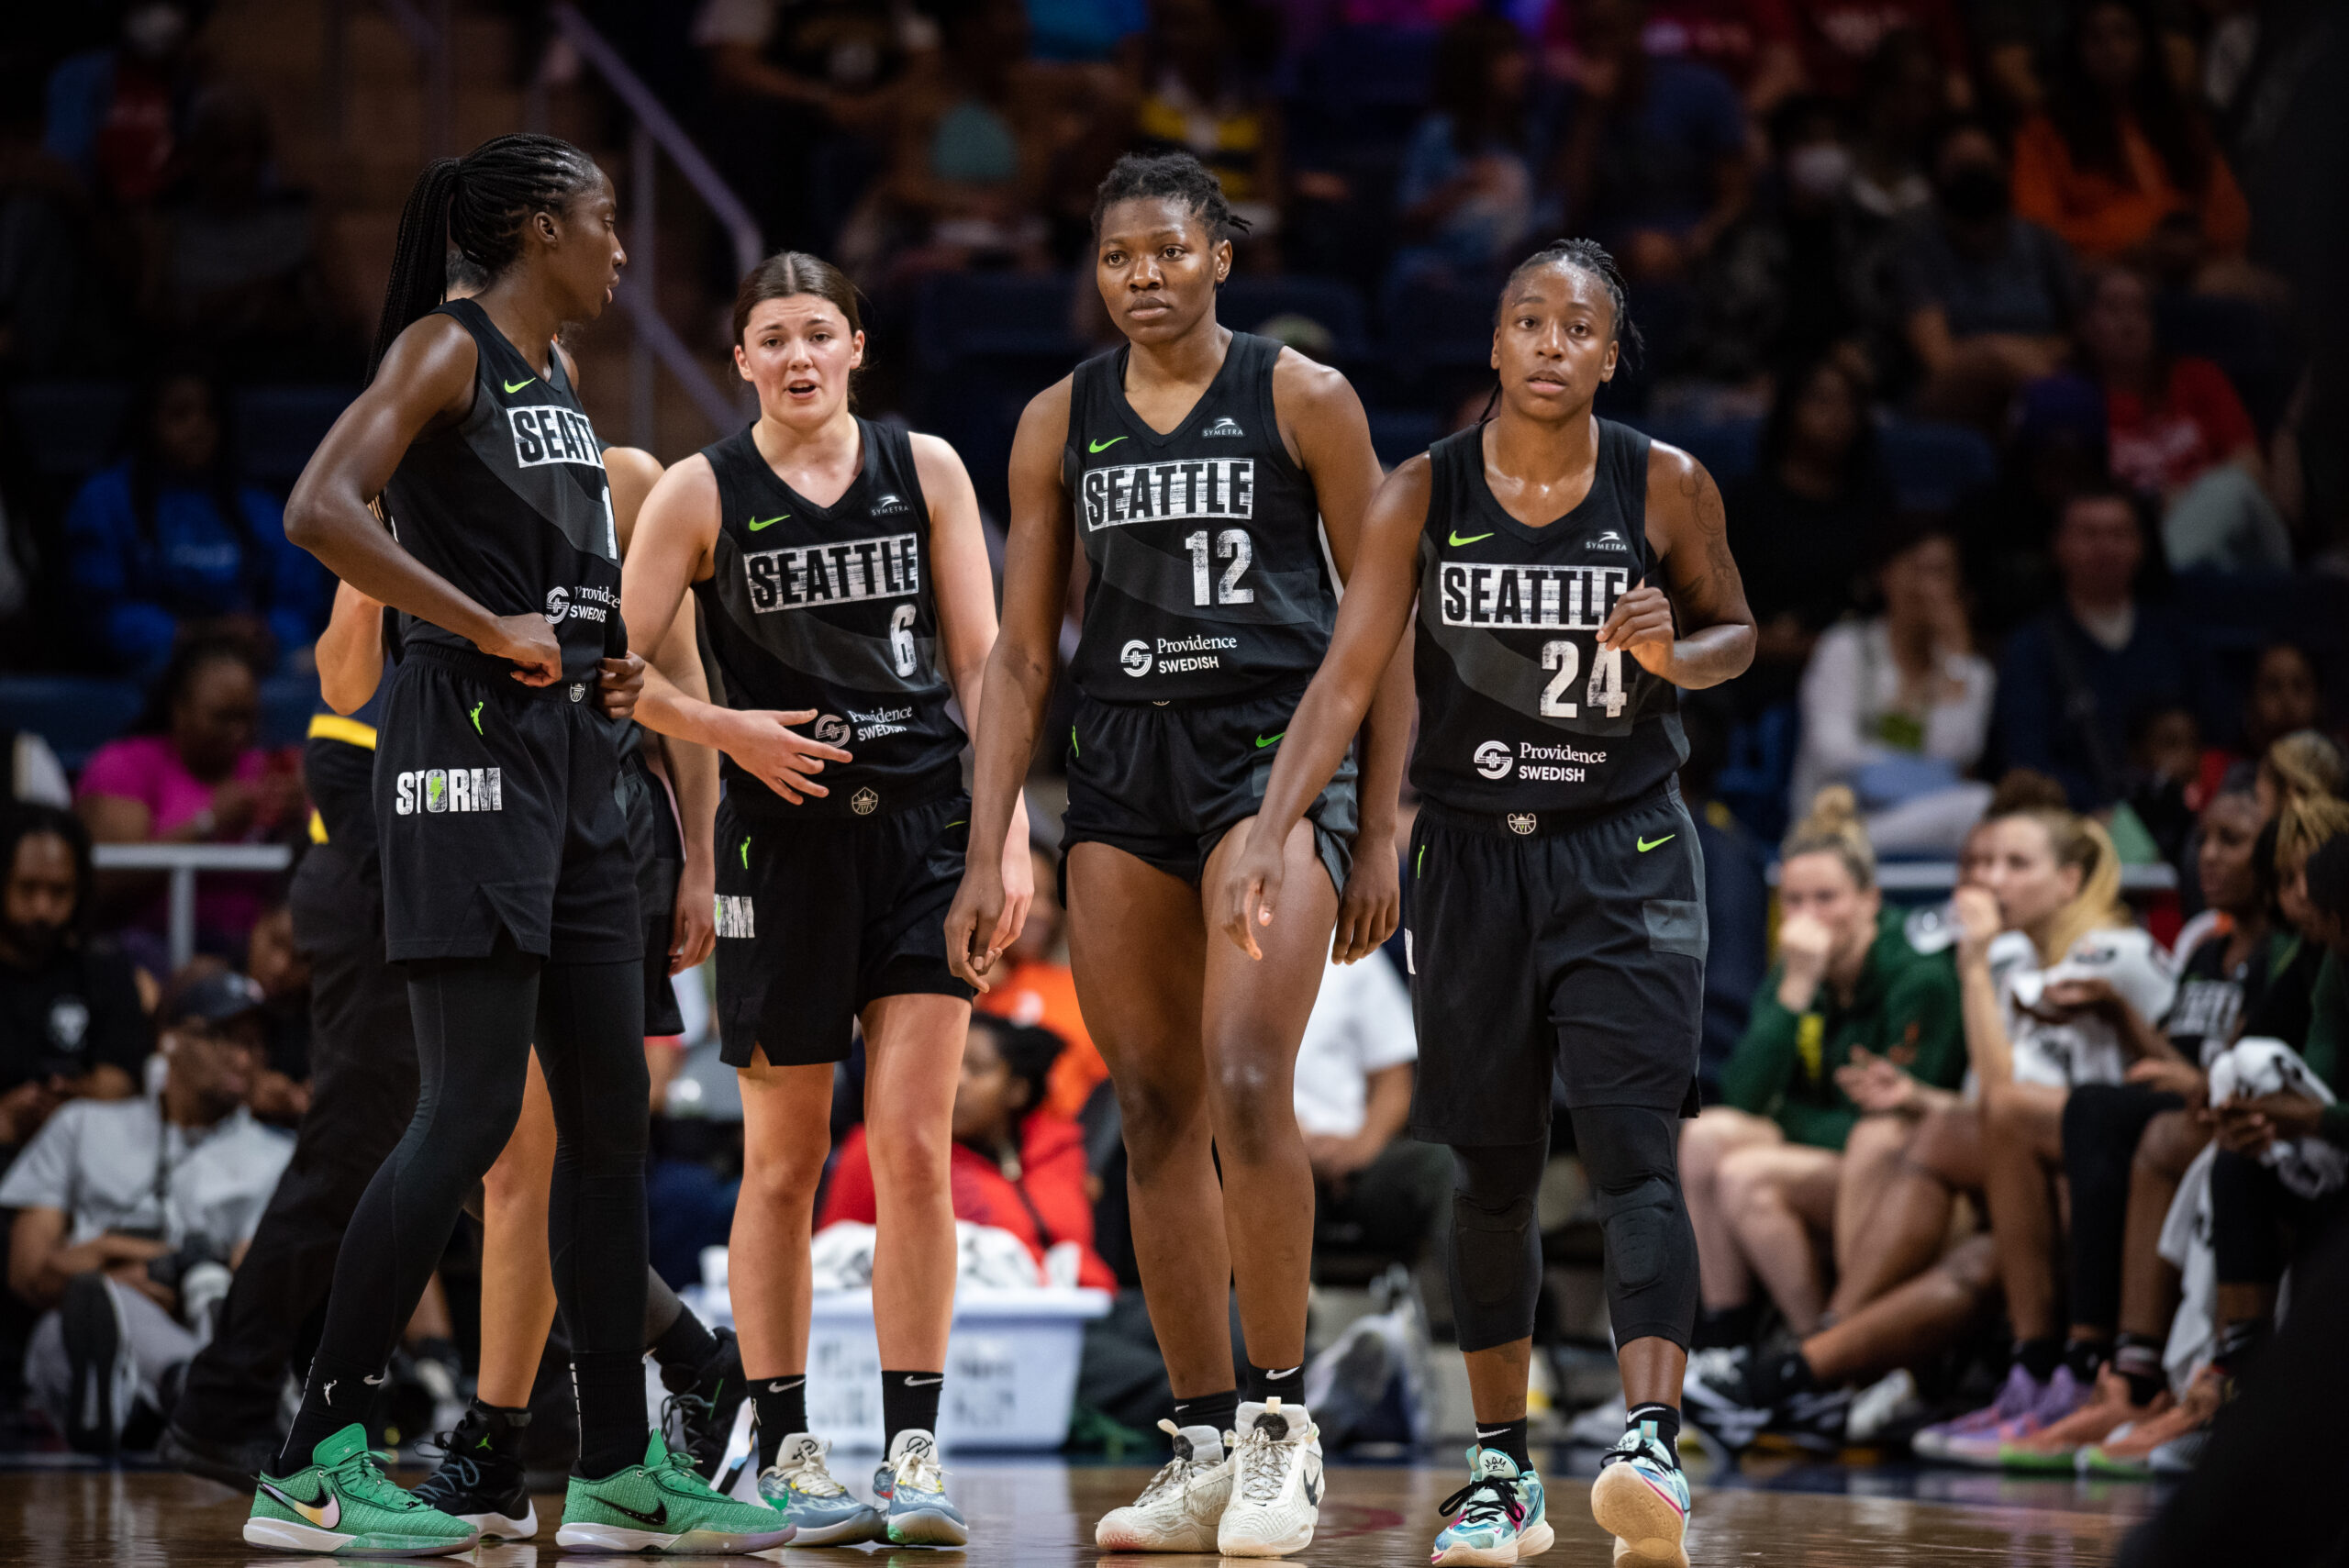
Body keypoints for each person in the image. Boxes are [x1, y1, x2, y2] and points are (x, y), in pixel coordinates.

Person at [246, 133, 785, 1555]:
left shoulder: (559, 386)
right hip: (463, 752)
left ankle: (614, 1464)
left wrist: (651, 766)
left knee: (612, 1121)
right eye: (605, 223)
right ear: (543, 228)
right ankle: (312, 1457)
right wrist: (487, 626)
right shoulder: (448, 347)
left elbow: (587, 615)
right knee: (469, 1114)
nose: (622, 248)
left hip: (578, 777)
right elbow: (318, 509)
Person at [1212, 237, 1757, 1568]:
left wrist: (1669, 655)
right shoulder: (1422, 492)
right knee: (1493, 1168)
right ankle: (1502, 1473)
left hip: (1623, 849)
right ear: (1497, 346)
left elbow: (1738, 631)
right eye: (1530, 322)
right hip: (1468, 852)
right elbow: (1344, 680)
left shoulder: (1666, 484)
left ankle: (1647, 1447)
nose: (1553, 345)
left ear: (1610, 355)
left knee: (1634, 1147)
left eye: (1579, 328)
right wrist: (1271, 833)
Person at [943, 150, 1409, 1558]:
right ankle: (1206, 1438)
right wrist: (990, 838)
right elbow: (1023, 650)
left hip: (1271, 760)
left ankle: (1283, 1427)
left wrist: (1379, 820)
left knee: (1250, 1077)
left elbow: (1379, 623)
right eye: (1118, 257)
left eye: (1168, 251)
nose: (1142, 276)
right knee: (1149, 1103)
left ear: (1221, 255)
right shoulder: (1055, 419)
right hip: (1121, 768)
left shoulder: (1303, 397)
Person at [620, 250, 1025, 1550]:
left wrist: (1006, 835)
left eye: (820, 333)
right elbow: (611, 676)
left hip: (921, 831)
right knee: (786, 1160)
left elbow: (986, 662)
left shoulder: (931, 470)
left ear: (856, 345)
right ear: (740, 360)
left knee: (913, 1144)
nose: (799, 357)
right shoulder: (695, 492)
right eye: (772, 338)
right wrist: (723, 726)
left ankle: (913, 1449)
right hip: (778, 853)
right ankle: (788, 1444)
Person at [364, 433, 744, 1537]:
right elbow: (352, 680)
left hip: (605, 835)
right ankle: (677, 1355)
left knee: (533, 1161)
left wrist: (706, 864)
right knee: (509, 1167)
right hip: (489, 819)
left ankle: (497, 1436)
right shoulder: (419, 484)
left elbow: (677, 674)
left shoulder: (623, 476)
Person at [157, 582, 422, 1492]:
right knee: (346, 1160)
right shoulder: (415, 547)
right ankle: (222, 1404)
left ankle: (533, 1408)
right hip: (380, 885)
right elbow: (337, 758)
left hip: (413, 884)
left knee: (462, 1164)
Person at [2000, 774, 2294, 1469]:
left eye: (2233, 840)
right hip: (2188, 1100)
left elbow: (2232, 1072)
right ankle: (2086, 1368)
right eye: (2205, 840)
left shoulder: (2276, 956)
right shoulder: (2201, 952)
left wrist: (2164, 1056)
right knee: (2099, 1109)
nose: (2210, 857)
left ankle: (2113, 1365)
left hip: (2230, 1113)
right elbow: (2167, 1062)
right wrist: (2118, 1013)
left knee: (2114, 1115)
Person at [1902, 796, 2174, 1462]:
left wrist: (1972, 962)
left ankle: (2052, 1372)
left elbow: (2002, 1099)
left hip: (2136, 1157)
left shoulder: (2112, 950)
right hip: (2077, 1158)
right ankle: (2020, 1377)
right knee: (1913, 1136)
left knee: (1951, 1139)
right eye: (1985, 862)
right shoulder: (2030, 966)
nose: (1992, 880)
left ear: (2069, 882)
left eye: (2015, 863)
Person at [1680, 788, 1964, 1350]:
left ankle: (1814, 1356)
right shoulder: (1798, 972)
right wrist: (1795, 990)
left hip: (1905, 1170)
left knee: (1746, 1177)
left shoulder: (1919, 976)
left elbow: (1891, 1122)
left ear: (1869, 900)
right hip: (1835, 1148)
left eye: (1826, 898)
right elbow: (1741, 1096)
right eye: (1794, 901)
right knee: (1704, 1136)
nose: (1807, 918)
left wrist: (1791, 1114)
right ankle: (1726, 1345)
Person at [2, 969, 290, 1455]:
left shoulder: (281, 1156)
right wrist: (116, 1271)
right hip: (88, 1345)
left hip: (211, 1329)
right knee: (71, 1326)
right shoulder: (83, 1126)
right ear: (170, 1038)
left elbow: (263, 1284)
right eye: (223, 1037)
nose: (243, 1057)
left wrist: (142, 1267)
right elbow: (27, 1271)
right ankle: (188, 1405)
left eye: (255, 1044)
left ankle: (179, 1398)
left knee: (205, 1292)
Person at [821, 1014, 1119, 1289]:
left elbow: (1076, 1247)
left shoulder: (1060, 1150)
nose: (956, 1081)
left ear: (1017, 1090)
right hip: (960, 1325)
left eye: (976, 1069)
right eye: (944, 1065)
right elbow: (834, 1259)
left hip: (1079, 1308)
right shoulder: (880, 1148)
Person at [65, 364, 328, 676]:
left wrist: (265, 631)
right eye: (180, 414)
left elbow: (300, 605)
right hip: (152, 665)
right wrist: (189, 634)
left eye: (209, 414)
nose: (198, 426)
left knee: (318, 669)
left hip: (251, 660)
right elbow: (101, 612)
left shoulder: (257, 506)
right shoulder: (104, 500)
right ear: (147, 421)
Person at [76, 636, 306, 967]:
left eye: (248, 718)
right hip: (146, 950)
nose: (239, 732)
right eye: (223, 717)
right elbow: (106, 882)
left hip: (258, 954)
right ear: (179, 708)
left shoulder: (272, 770)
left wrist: (299, 821)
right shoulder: (124, 766)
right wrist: (209, 822)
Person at [1788, 522, 1995, 854]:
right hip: (1837, 821)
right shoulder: (1844, 649)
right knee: (1975, 804)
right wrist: (1914, 774)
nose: (1926, 587)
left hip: (1927, 822)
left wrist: (1956, 663)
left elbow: (1959, 752)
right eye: (1915, 569)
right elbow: (1832, 751)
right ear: (1885, 576)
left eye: (1940, 572)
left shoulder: (1972, 672)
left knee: (1985, 807)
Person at [2064, 264, 2286, 571]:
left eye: (2140, 311)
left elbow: (2249, 464)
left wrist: (2187, 496)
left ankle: (2158, 581)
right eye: (2113, 310)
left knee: (2230, 487)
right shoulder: (2073, 401)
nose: (2130, 324)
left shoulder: (2198, 376)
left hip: (2241, 541)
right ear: (2085, 325)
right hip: (2144, 537)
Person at [1993, 489, 2203, 812]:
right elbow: (2026, 762)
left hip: (2175, 820)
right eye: (2089, 534)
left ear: (2141, 545)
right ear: (2059, 546)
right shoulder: (2031, 647)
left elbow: (2219, 733)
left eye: (2119, 534)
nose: (2105, 548)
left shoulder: (2177, 637)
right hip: (2074, 824)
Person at [2009, 0, 2249, 268]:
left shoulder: (2181, 122)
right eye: (2095, 38)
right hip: (2100, 272)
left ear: (2146, 44)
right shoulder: (2044, 132)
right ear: (2075, 49)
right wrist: (2137, 240)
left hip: (2194, 264)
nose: (2112, 49)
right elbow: (2038, 231)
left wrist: (2197, 244)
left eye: (2124, 34)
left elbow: (2226, 210)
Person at [1726, 353, 1897, 705]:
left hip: (1857, 677)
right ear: (1789, 408)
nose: (1838, 416)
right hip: (1754, 672)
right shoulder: (1742, 503)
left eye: (1850, 404)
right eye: (1821, 400)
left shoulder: (1875, 506)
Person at [1891, 118, 2081, 428]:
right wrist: (2002, 354)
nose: (1974, 177)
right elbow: (1939, 359)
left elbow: (2078, 336)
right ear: (1936, 176)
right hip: (1953, 397)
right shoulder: (1919, 254)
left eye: (1983, 165)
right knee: (1997, 356)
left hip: (2042, 381)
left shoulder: (2042, 243)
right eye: (1961, 167)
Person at [1549, 0, 1750, 287]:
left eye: (1608, 30)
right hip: (1600, 252)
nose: (1599, 45)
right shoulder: (1568, 103)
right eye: (1588, 33)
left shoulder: (1700, 89)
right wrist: (1590, 115)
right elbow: (1566, 208)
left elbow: (1735, 198)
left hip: (1689, 242)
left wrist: (1695, 244)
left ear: (1638, 26)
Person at [0, 806, 146, 1158]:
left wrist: (73, 1102)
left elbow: (123, 1080)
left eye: (58, 891)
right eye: (28, 888)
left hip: (79, 1158)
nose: (42, 909)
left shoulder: (104, 969)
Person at [1291, 949, 1448, 1273]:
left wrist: (1361, 1147)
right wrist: (1284, 1140)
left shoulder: (1350, 948)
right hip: (1272, 1151)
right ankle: (1288, 1319)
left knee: (1445, 1165)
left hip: (1359, 1158)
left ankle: (1471, 1315)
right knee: (1269, 1176)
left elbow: (1395, 1077)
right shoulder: (1219, 951)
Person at [1385, 12, 1543, 307]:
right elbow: (1408, 219)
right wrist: (1463, 184)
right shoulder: (1438, 133)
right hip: (1442, 267)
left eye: (1520, 55)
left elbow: (1548, 215)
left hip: (1511, 272)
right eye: (1506, 57)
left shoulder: (1530, 136)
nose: (1521, 67)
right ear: (1474, 66)